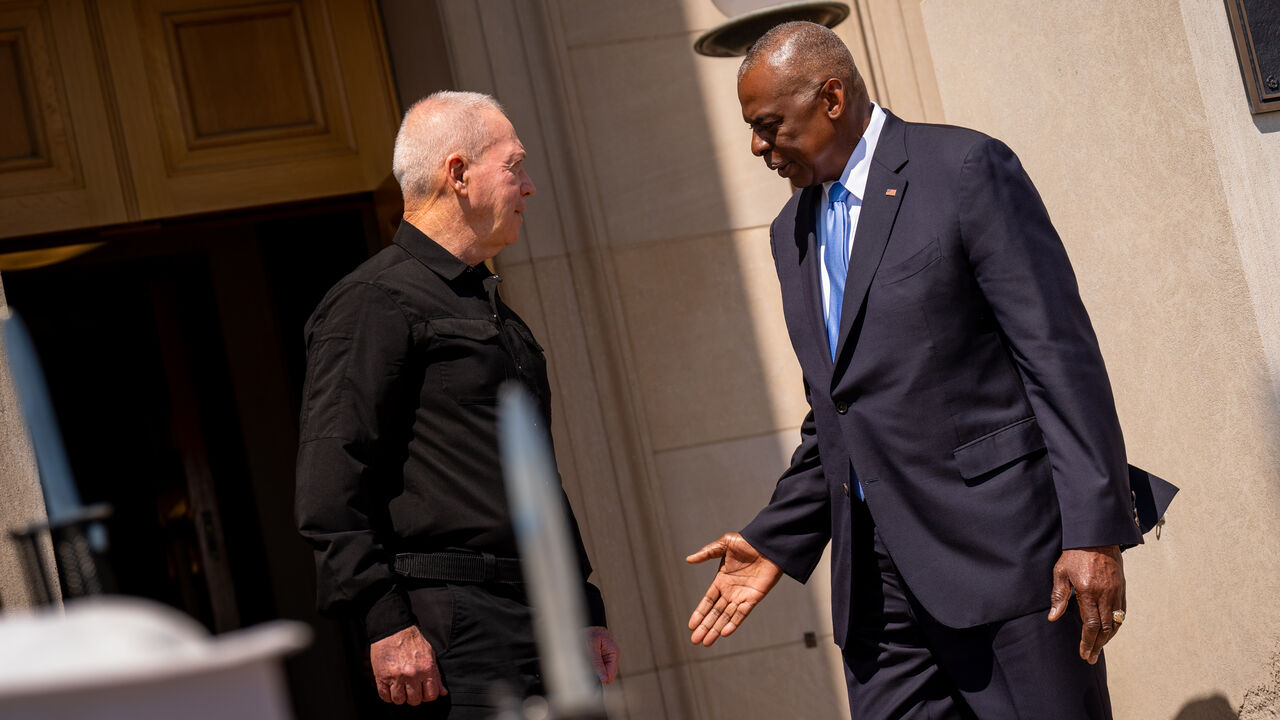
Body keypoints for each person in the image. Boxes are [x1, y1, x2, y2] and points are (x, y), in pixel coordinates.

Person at [686, 22, 1165, 719]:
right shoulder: (790, 232)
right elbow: (839, 413)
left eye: (768, 125)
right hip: (879, 597)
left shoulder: (964, 170)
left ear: (830, 97)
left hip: (1009, 564)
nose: (758, 146)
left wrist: (1094, 532)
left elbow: (1059, 359)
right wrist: (779, 539)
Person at [295, 91, 619, 718]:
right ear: (458, 173)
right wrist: (384, 620)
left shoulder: (487, 304)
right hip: (453, 632)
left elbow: (529, 481)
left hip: (539, 618)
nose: (528, 187)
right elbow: (329, 487)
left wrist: (582, 609)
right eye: (515, 165)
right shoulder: (372, 302)